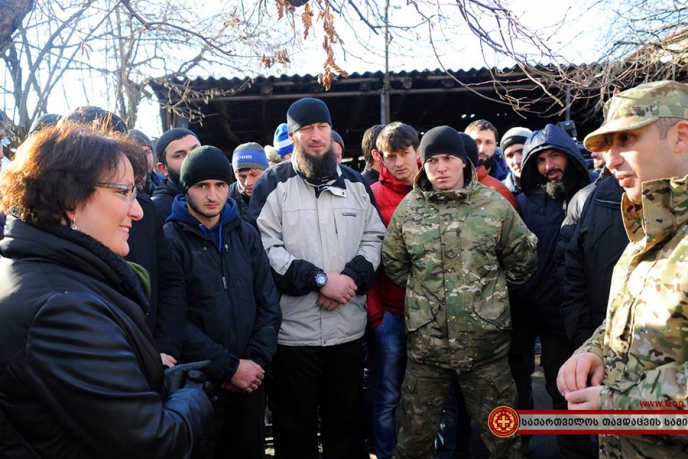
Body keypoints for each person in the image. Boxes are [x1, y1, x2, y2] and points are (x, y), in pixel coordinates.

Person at [0, 123, 213, 458]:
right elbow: (152, 443)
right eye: (123, 192)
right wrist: (193, 396)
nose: (138, 210)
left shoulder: (54, 274)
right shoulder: (61, 310)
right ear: (69, 199)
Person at [382, 125, 537, 459]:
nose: (440, 167)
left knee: (504, 440)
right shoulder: (409, 211)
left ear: (465, 161)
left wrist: (485, 299)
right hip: (427, 353)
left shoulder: (494, 207)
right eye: (432, 160)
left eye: (449, 158)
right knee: (413, 441)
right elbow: (395, 266)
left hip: (486, 352)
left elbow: (522, 262)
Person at [557, 80, 688, 457]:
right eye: (607, 147)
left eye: (626, 140)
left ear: (680, 137)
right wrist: (594, 351)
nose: (610, 160)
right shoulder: (647, 232)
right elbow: (626, 319)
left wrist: (618, 402)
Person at [249, 97, 385, 459]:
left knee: (347, 424)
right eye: (306, 129)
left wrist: (350, 280)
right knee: (295, 429)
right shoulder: (271, 186)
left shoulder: (357, 185)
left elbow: (376, 238)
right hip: (294, 337)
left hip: (347, 332)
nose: (315, 136)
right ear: (293, 136)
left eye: (321, 127)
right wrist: (321, 280)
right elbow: (264, 249)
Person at [165, 145, 281, 459]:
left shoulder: (246, 234)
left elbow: (268, 303)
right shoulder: (170, 240)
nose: (213, 195)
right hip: (199, 386)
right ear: (186, 188)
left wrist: (253, 364)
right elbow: (175, 319)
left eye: (219, 185)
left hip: (250, 384)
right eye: (202, 186)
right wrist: (228, 369)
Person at [516, 123, 595, 458]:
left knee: (587, 397)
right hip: (537, 318)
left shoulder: (596, 195)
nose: (549, 166)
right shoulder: (522, 204)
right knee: (545, 393)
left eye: (555, 155)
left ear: (571, 156)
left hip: (582, 319)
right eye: (541, 160)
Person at [365, 121, 421, 459]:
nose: (398, 162)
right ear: (379, 158)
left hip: (432, 316)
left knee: (434, 396)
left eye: (404, 154)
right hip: (391, 315)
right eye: (391, 156)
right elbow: (363, 255)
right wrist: (377, 315)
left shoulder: (435, 191)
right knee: (386, 395)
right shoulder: (372, 196)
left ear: (417, 152)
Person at [152, 127, 201, 220]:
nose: (192, 158)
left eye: (196, 151)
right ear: (163, 169)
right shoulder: (156, 209)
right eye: (179, 155)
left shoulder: (221, 196)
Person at [229, 142, 269, 221]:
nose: (248, 183)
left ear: (266, 172)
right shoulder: (226, 199)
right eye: (242, 176)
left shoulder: (279, 193)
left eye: (254, 175)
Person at [129, 128, 163, 196]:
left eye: (147, 151)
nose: (144, 158)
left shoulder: (164, 184)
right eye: (137, 152)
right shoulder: (125, 190)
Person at [500, 127, 532, 197]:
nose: (516, 161)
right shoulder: (499, 192)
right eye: (509, 156)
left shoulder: (553, 184)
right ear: (505, 162)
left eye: (522, 152)